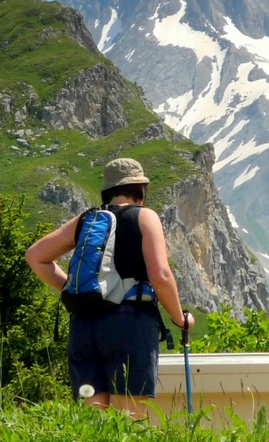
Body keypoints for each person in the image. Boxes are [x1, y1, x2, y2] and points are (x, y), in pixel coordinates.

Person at [24, 157, 194, 419]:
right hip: (130, 324)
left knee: (94, 424)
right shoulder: (144, 217)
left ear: (108, 190)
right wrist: (179, 319)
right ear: (141, 189)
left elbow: (36, 256)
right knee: (127, 420)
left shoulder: (87, 219)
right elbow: (160, 275)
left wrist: (72, 288)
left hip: (84, 326)